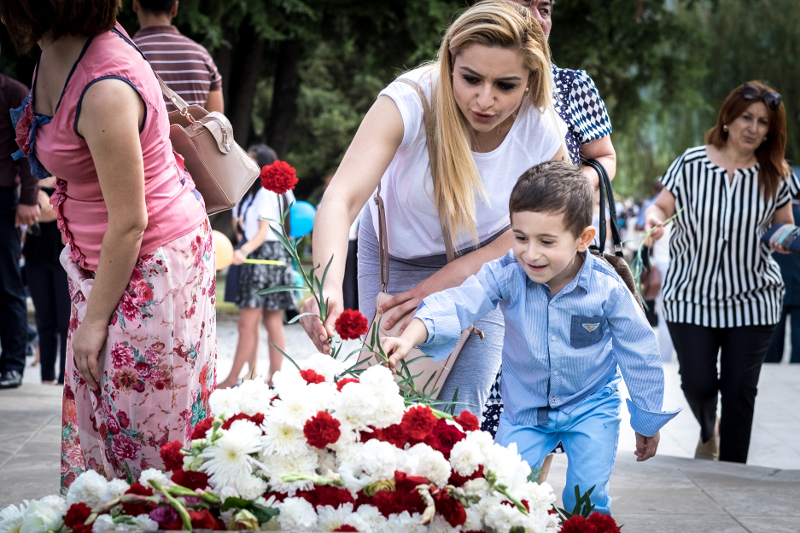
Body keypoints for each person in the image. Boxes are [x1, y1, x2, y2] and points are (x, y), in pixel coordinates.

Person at [300, 0, 569, 417]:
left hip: (486, 266)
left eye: (506, 86)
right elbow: (342, 197)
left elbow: (552, 225)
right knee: (389, 400)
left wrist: (452, 276)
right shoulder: (410, 99)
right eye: (471, 79)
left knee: (460, 414)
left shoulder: (540, 125)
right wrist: (327, 286)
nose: (485, 101)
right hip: (397, 258)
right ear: (449, 62)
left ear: (531, 80)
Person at [2, 0, 216, 489]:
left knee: (148, 436)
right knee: (105, 418)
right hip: (101, 263)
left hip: (151, 264)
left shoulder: (105, 88)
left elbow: (130, 222)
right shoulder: (55, 46)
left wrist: (94, 321)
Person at [383, 161, 678, 515]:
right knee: (506, 494)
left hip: (591, 405)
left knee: (587, 498)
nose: (531, 253)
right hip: (524, 411)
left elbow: (639, 352)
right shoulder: (507, 273)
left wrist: (646, 420)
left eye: (547, 241)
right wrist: (411, 336)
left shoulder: (607, 289)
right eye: (520, 238)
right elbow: (460, 302)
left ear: (584, 238)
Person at [645, 81, 800, 463]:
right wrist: (653, 221)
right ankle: (707, 427)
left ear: (770, 130)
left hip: (753, 298)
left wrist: (784, 238)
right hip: (689, 296)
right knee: (695, 382)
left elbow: (785, 225)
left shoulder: (776, 174)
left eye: (763, 122)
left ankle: (733, 471)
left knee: (740, 390)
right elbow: (660, 207)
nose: (753, 127)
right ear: (728, 118)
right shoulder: (693, 162)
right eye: (746, 117)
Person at [482, 0, 617, 436]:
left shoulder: (573, 86)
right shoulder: (476, 79)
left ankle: (527, 495)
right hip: (478, 250)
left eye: (545, 7)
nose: (538, 19)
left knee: (540, 382)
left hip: (546, 256)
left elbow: (605, 158)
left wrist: (559, 197)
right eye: (525, 6)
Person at [218, 144, 296, 389]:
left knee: (246, 324)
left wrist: (243, 250)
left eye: (251, 160)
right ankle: (272, 378)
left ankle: (232, 379)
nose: (247, 164)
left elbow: (262, 233)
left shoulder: (264, 191)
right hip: (279, 255)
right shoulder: (284, 192)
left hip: (261, 256)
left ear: (262, 164)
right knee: (273, 320)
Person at [0, 70, 38, 390]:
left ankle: (12, 365)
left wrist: (28, 198)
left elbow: (27, 147)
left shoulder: (13, 91)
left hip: (2, 199)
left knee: (8, 283)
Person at [132, 0, 224, 113]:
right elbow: (216, 123)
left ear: (135, 4)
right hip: (195, 131)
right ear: (175, 8)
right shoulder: (202, 56)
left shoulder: (126, 55)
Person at [23, 177, 70, 385]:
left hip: (63, 253)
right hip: (35, 253)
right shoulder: (28, 174)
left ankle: (65, 378)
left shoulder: (64, 170)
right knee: (44, 320)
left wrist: (39, 207)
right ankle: (47, 377)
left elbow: (50, 212)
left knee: (65, 321)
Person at [764, 197, 800, 363]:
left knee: (772, 338)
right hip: (796, 284)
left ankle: (771, 366)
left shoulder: (771, 217)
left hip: (776, 286)